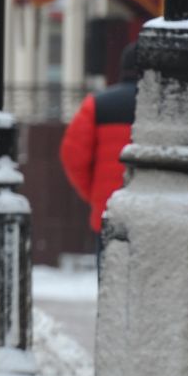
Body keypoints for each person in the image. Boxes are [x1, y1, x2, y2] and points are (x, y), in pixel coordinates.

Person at [60, 42, 139, 241]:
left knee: (108, 270)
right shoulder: (164, 110)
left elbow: (72, 156)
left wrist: (95, 193)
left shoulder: (97, 105)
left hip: (109, 210)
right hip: (154, 214)